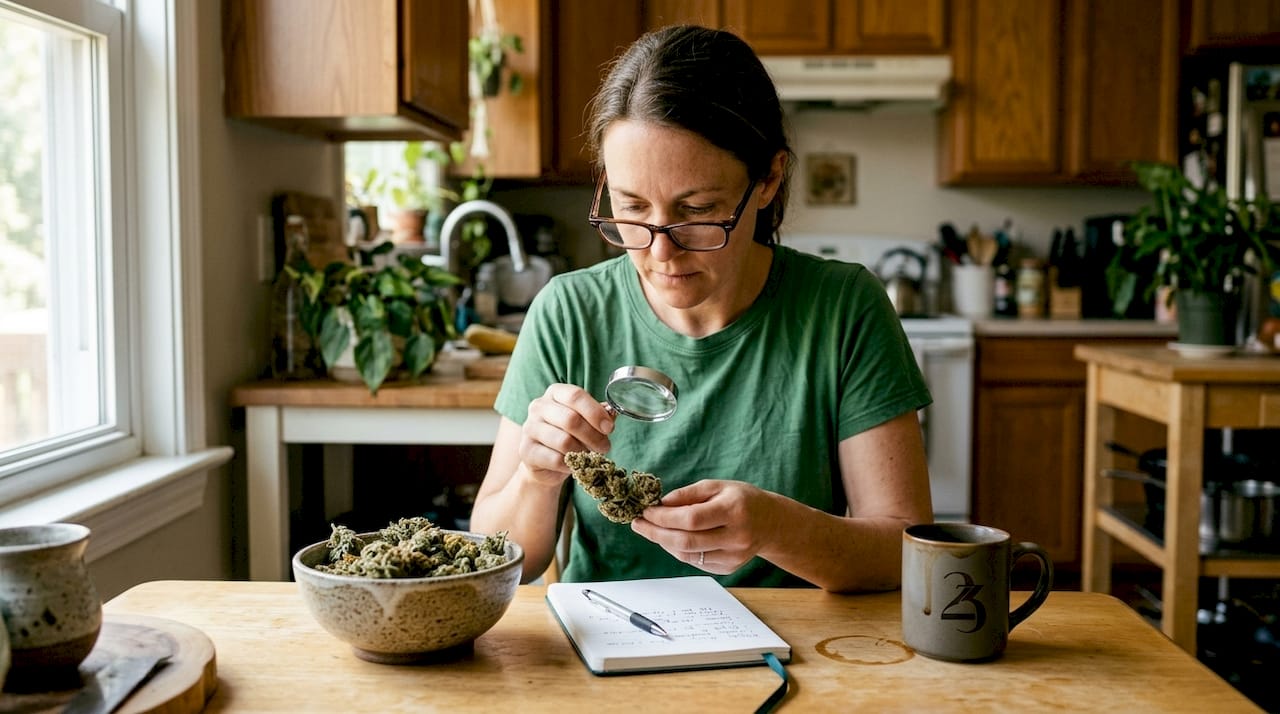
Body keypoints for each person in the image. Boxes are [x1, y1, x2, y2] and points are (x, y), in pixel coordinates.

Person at [469, 25, 932, 591]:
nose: (660, 252)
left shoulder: (844, 309)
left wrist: (774, 529)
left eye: (698, 212)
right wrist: (534, 480)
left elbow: (906, 553)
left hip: (801, 652)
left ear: (768, 179)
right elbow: (502, 557)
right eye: (631, 208)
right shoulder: (567, 312)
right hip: (608, 651)